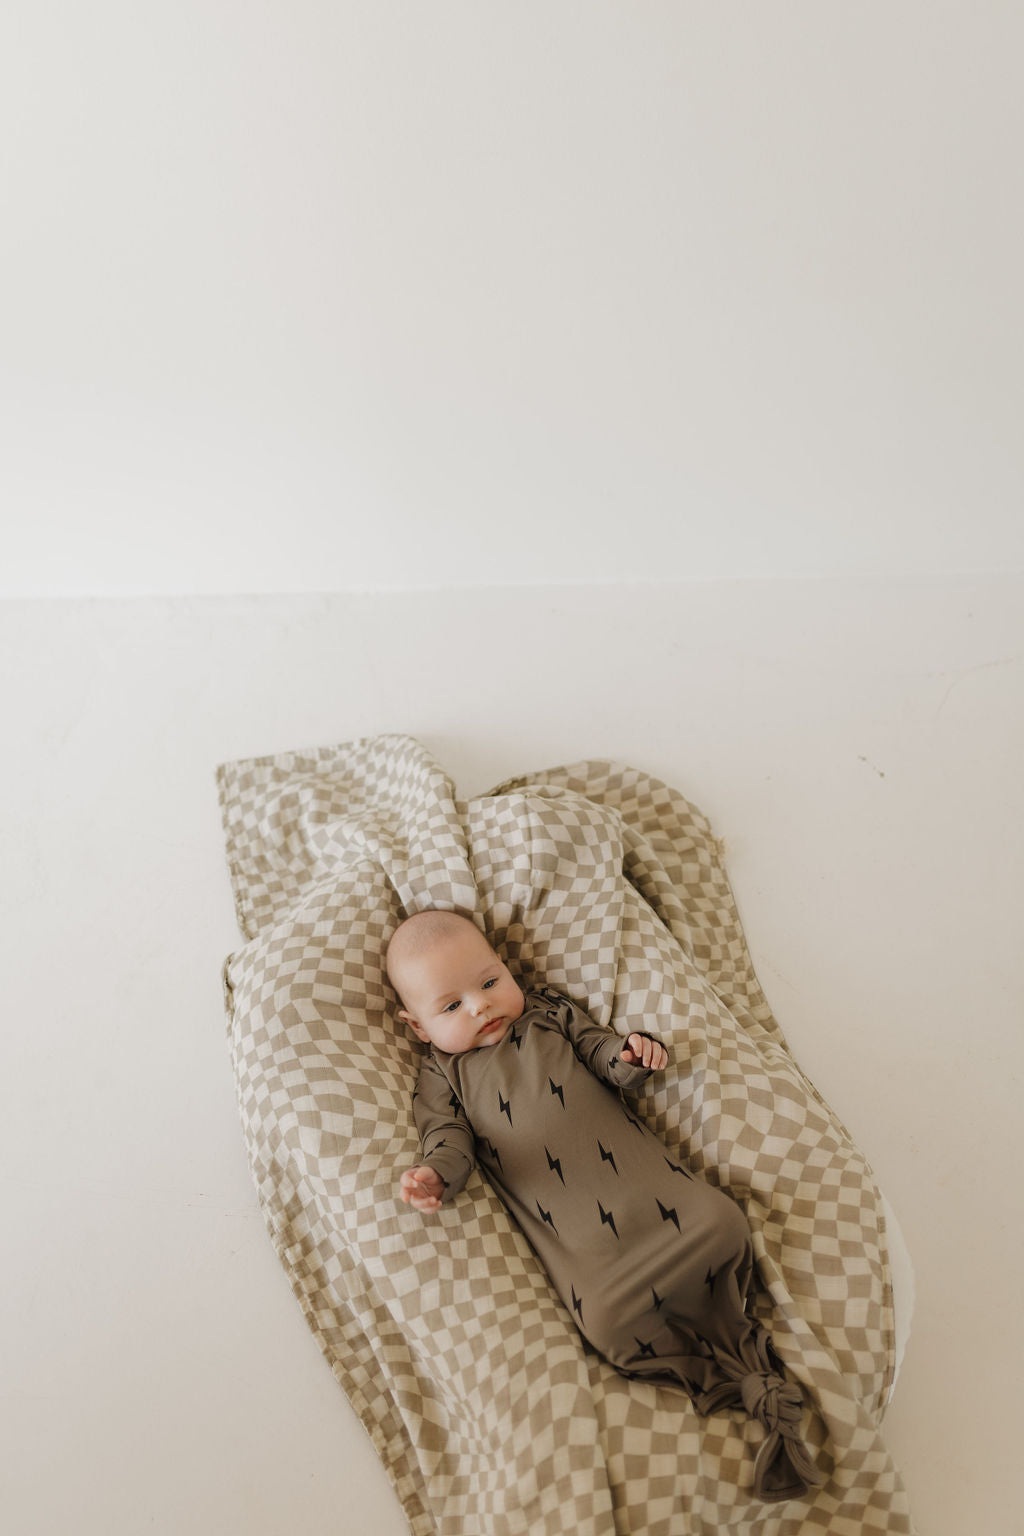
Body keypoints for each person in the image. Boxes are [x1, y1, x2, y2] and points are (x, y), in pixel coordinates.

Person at [388, 908, 825, 1504]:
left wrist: (633, 1055)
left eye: (489, 982)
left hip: (670, 1210)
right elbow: (448, 1142)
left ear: (506, 971)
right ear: (417, 1029)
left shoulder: (549, 1012)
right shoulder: (443, 1077)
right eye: (451, 1006)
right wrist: (434, 1177)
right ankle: (737, 1383)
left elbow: (602, 1054)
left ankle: (749, 1364)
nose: (481, 1006)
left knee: (723, 1224)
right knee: (609, 1323)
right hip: (598, 1264)